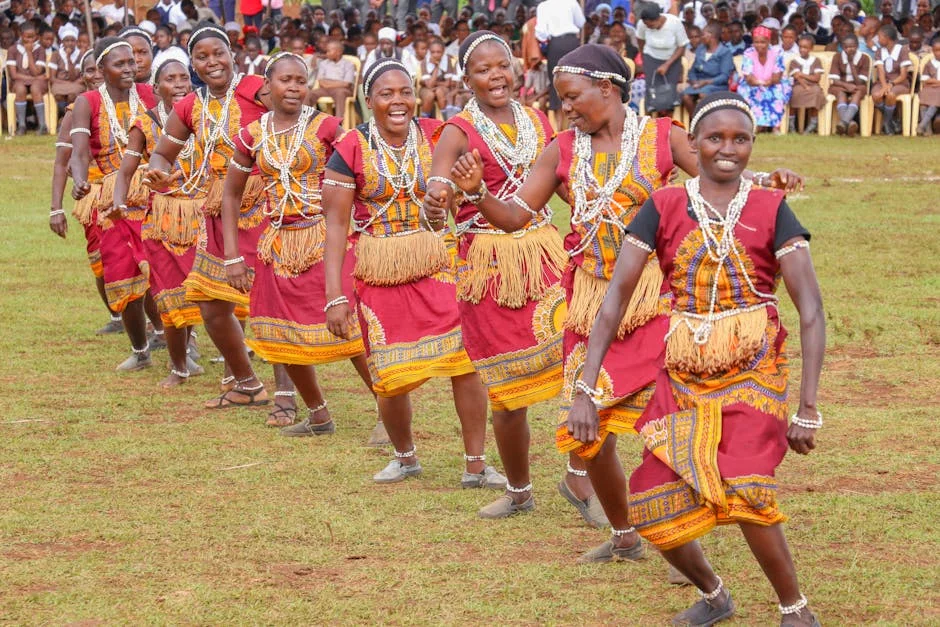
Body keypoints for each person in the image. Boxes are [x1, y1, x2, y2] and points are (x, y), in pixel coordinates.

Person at [447, 44, 804, 565]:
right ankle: (623, 534)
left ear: (607, 90)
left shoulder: (662, 136)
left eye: (571, 97)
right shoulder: (563, 150)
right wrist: (477, 192)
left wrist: (766, 179)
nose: (565, 108)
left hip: (658, 304)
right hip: (592, 306)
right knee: (587, 435)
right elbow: (513, 217)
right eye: (560, 98)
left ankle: (684, 541)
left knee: (672, 425)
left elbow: (722, 174)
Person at [567, 90, 823, 627]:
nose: (727, 149)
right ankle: (714, 594)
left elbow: (811, 311)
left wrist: (807, 406)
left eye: (740, 139)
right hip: (682, 375)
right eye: (715, 138)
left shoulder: (771, 208)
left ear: (753, 145)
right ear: (696, 143)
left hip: (754, 372)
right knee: (652, 504)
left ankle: (794, 610)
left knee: (749, 487)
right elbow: (614, 297)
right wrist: (586, 389)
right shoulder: (663, 206)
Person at [322, 59, 502, 487]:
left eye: (405, 91)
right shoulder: (350, 148)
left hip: (439, 264)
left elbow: (464, 195)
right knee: (389, 374)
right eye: (387, 94)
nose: (398, 100)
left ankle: (475, 464)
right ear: (369, 102)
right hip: (380, 271)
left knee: (465, 361)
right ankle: (405, 457)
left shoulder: (440, 135)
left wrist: (449, 205)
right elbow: (334, 227)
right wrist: (335, 296)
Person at [425, 32, 566, 518]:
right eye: (483, 70)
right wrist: (437, 196)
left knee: (580, 368)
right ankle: (519, 490)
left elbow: (561, 181)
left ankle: (584, 476)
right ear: (466, 80)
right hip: (489, 268)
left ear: (517, 68)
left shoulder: (535, 120)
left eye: (502, 66)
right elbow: (438, 183)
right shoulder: (457, 130)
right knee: (508, 390)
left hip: (546, 257)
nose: (496, 76)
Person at [144, 21, 298, 421]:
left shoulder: (255, 89)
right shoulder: (191, 106)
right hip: (219, 212)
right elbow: (163, 152)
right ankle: (247, 383)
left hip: (265, 206)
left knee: (270, 302)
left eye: (219, 53)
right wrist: (157, 169)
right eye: (202, 57)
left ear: (233, 55)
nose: (212, 62)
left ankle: (286, 394)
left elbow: (294, 116)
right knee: (211, 305)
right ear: (193, 63)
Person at [222, 52, 378, 433]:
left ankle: (387, 413)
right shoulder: (253, 134)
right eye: (285, 80)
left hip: (327, 239)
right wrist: (231, 256)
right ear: (267, 86)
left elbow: (362, 172)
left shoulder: (328, 127)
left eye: (300, 80)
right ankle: (318, 414)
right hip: (278, 245)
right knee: (281, 334)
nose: (293, 87)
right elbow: (230, 195)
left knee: (350, 328)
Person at [110, 48, 204, 388]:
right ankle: (178, 364)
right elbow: (125, 171)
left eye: (184, 78)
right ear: (156, 85)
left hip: (203, 214)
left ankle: (202, 352)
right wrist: (119, 201)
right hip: (163, 218)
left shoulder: (205, 117)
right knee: (167, 290)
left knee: (201, 288)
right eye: (170, 79)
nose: (178, 84)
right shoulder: (146, 124)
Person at [69, 36, 159, 370]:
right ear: (102, 69)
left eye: (132, 62)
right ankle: (140, 350)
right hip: (111, 200)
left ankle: (175, 338)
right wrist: (80, 180)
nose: (129, 68)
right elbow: (78, 151)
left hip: (152, 193)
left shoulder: (150, 95)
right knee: (122, 276)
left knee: (159, 273)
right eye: (119, 64)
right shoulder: (88, 101)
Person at [49, 50, 122, 336]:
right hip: (93, 195)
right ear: (83, 76)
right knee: (101, 261)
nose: (95, 75)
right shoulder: (76, 110)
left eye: (98, 69)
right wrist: (56, 207)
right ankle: (117, 317)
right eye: (88, 70)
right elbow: (61, 162)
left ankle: (154, 324)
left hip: (132, 193)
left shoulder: (134, 102)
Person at [637, 3, 689, 116]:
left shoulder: (674, 23)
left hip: (672, 59)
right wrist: (643, 57)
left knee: (669, 93)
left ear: (657, 19)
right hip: (651, 57)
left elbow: (682, 46)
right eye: (645, 24)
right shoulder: (642, 23)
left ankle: (668, 124)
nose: (647, 27)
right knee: (651, 92)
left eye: (649, 24)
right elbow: (640, 39)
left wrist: (667, 65)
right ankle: (649, 124)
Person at [535, 0, 585, 118]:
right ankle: (572, 123)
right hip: (572, 43)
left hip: (555, 45)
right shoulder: (572, 2)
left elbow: (541, 32)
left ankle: (559, 127)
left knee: (556, 83)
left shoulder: (543, 6)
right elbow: (581, 22)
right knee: (575, 81)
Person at [738, 25, 791, 132]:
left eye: (762, 42)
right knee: (750, 93)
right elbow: (748, 77)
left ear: (769, 41)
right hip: (752, 83)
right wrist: (758, 83)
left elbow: (777, 77)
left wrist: (767, 82)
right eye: (756, 42)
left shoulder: (777, 52)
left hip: (773, 83)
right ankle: (754, 125)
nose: (759, 45)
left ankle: (775, 127)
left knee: (776, 93)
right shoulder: (748, 53)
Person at [682, 22, 735, 116]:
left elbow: (724, 76)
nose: (701, 37)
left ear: (711, 36)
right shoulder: (700, 49)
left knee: (703, 95)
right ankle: (695, 120)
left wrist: (706, 82)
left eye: (703, 34)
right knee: (686, 96)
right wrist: (694, 81)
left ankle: (707, 122)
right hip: (699, 84)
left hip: (716, 85)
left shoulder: (724, 52)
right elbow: (693, 70)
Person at [6, 21, 49, 134]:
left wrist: (29, 53)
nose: (31, 40)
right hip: (19, 81)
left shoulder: (40, 50)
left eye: (33, 37)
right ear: (20, 34)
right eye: (27, 37)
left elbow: (36, 71)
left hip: (37, 83)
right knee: (20, 89)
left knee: (35, 88)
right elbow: (14, 75)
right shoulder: (13, 49)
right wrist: (35, 78)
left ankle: (42, 125)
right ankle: (22, 125)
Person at [871, 24, 912, 135]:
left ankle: (887, 124)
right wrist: (884, 86)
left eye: (879, 37)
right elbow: (880, 71)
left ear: (887, 38)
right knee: (876, 95)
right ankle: (893, 120)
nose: (877, 40)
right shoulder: (879, 51)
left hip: (900, 83)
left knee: (890, 95)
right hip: (883, 82)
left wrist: (891, 84)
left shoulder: (902, 50)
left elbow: (903, 75)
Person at [828, 33, 870, 136]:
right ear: (842, 47)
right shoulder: (837, 57)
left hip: (857, 85)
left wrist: (851, 63)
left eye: (852, 46)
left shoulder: (864, 58)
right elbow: (834, 80)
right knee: (841, 93)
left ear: (857, 46)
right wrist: (847, 86)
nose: (849, 49)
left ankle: (843, 122)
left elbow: (861, 82)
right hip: (840, 85)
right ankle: (849, 122)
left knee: (858, 91)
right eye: (846, 47)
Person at [787, 33, 826, 133]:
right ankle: (791, 125)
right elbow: (796, 77)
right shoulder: (794, 61)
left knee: (817, 93)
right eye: (800, 47)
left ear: (811, 48)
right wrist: (805, 84)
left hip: (813, 86)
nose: (802, 49)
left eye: (805, 47)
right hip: (798, 85)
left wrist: (802, 75)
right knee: (794, 93)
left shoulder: (816, 61)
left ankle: (812, 125)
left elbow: (816, 78)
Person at [308, 39, 356, 115]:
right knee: (309, 94)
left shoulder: (348, 64)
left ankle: (339, 122)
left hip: (342, 90)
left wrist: (328, 83)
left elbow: (347, 84)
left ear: (339, 52)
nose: (326, 53)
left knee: (340, 93)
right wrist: (337, 83)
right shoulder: (323, 64)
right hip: (325, 89)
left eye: (329, 51)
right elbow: (321, 82)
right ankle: (305, 120)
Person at [418, 38, 457, 118]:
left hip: (442, 88)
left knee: (439, 91)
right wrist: (436, 67)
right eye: (433, 52)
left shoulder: (447, 60)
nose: (435, 54)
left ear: (443, 52)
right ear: (429, 52)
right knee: (429, 95)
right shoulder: (425, 62)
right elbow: (429, 86)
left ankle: (445, 119)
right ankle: (424, 121)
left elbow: (447, 84)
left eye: (438, 52)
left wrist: (435, 84)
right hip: (426, 89)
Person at [50, 23, 83, 109]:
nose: (70, 43)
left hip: (76, 83)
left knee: (72, 96)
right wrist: (67, 83)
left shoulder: (80, 54)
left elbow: (73, 77)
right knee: (58, 95)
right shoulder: (56, 54)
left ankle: (69, 115)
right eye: (67, 40)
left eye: (72, 41)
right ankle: (63, 115)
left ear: (76, 42)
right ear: (62, 42)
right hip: (59, 83)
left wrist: (68, 58)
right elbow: (52, 78)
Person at [915, 34, 940, 136]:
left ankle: (922, 125)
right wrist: (936, 82)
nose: (938, 53)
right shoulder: (929, 63)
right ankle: (927, 129)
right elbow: (925, 80)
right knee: (924, 100)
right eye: (936, 51)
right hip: (930, 88)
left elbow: (931, 80)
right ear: (932, 51)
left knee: (934, 100)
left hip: (938, 90)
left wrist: (935, 81)